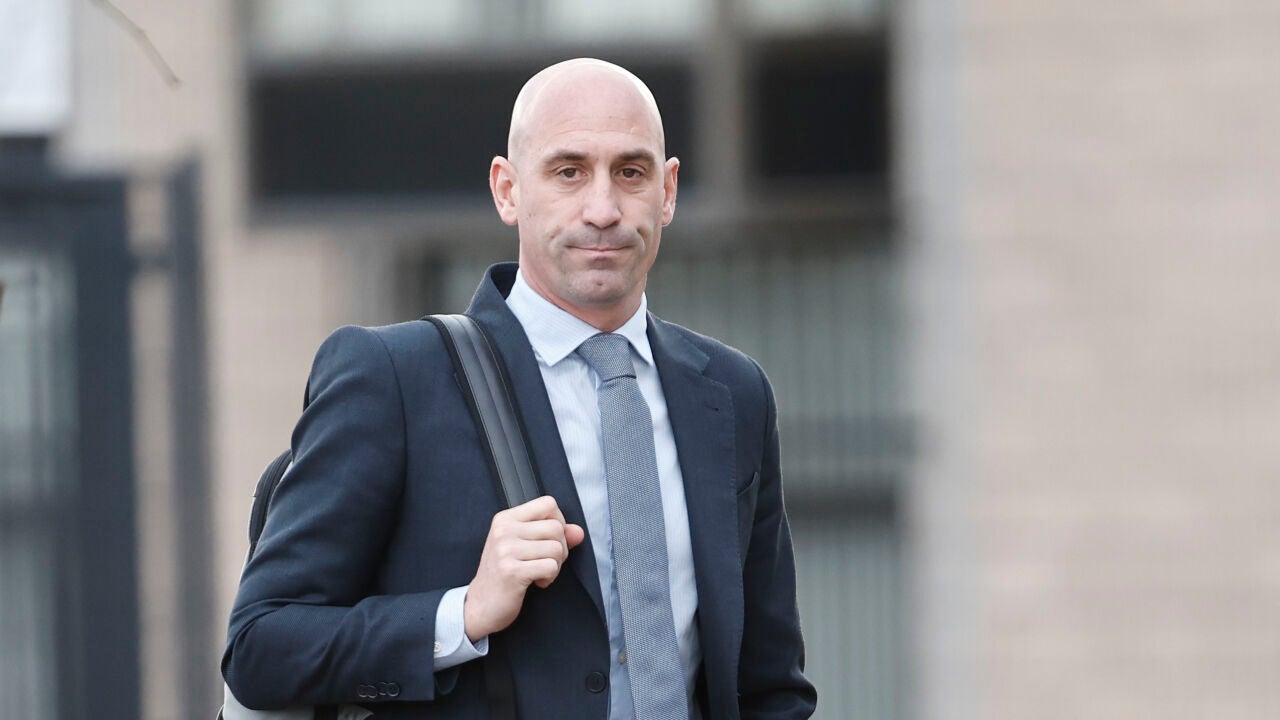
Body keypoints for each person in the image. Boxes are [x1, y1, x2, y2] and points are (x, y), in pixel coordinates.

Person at [223, 58, 816, 720]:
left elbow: (769, 686)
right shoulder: (393, 378)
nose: (603, 210)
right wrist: (462, 613)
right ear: (507, 190)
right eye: (569, 172)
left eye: (631, 172)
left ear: (668, 190)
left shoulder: (731, 394)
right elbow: (260, 647)